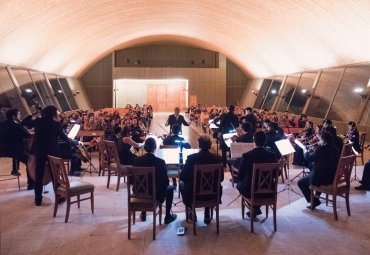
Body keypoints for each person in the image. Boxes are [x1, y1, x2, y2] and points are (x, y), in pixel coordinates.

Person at [133, 138, 177, 224]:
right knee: (170, 188)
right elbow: (166, 182)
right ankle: (167, 216)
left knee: (145, 186)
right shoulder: (160, 162)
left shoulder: (136, 160)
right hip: (155, 195)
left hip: (139, 193)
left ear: (145, 147)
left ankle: (143, 213)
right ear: (155, 148)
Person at [180, 135, 223, 224]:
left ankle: (192, 211)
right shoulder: (217, 158)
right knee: (209, 185)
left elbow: (183, 177)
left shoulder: (191, 158)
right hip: (213, 195)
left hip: (194, 195)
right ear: (210, 145)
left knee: (182, 185)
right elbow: (221, 178)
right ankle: (207, 212)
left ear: (199, 145)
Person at [32, 105, 70, 206]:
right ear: (53, 113)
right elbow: (63, 136)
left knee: (38, 175)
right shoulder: (56, 124)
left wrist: (36, 113)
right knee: (55, 176)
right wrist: (71, 141)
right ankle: (59, 197)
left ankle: (38, 200)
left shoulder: (38, 122)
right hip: (52, 152)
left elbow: (26, 122)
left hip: (40, 151)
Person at [236, 131, 277, 219]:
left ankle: (254, 208)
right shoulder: (272, 155)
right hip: (269, 190)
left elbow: (240, 176)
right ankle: (255, 208)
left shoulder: (247, 155)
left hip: (250, 191)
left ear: (254, 141)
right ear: (265, 141)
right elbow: (276, 174)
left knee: (239, 185)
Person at [297, 131, 340, 209]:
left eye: (320, 139)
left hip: (323, 178)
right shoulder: (336, 149)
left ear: (324, 141)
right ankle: (316, 199)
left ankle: (314, 201)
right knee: (315, 172)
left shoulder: (321, 149)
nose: (319, 141)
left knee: (301, 182)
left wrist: (305, 151)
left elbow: (309, 158)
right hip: (332, 177)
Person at [0, 109, 34, 189]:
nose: (20, 116)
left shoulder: (1, 124)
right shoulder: (16, 125)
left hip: (2, 150)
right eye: (19, 114)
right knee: (30, 161)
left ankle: (15, 170)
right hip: (14, 150)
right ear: (14, 116)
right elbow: (27, 136)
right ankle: (31, 184)